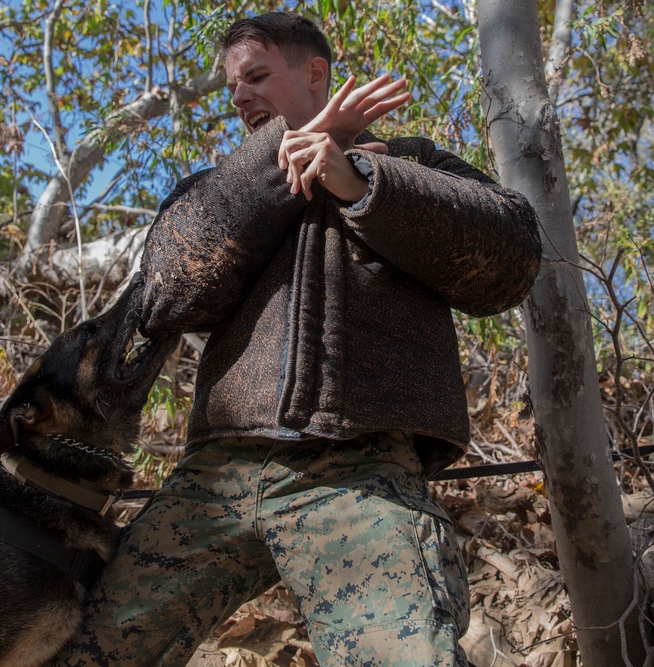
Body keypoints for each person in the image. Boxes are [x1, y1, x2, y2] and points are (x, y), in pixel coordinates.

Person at [56, 11, 541, 667]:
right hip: (211, 480)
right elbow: (168, 288)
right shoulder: (217, 189)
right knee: (85, 650)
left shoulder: (412, 162)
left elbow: (508, 258)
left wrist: (360, 180)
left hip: (360, 475)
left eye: (256, 76)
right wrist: (289, 151)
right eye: (233, 87)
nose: (241, 97)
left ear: (315, 72)